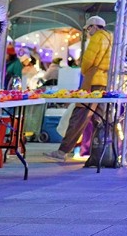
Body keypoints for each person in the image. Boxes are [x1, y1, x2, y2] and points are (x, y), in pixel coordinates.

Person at [45, 15, 112, 162]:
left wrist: (83, 70)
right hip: (103, 81)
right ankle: (100, 150)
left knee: (79, 115)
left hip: (92, 80)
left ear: (94, 26)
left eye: (88, 28)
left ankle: (63, 151)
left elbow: (88, 60)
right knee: (98, 117)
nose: (88, 31)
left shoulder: (97, 38)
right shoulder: (110, 38)